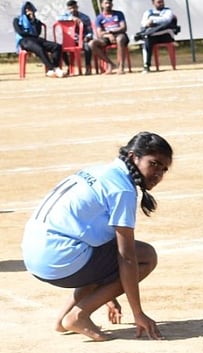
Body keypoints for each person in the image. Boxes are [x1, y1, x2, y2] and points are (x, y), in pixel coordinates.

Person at [21, 132, 172, 342]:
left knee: (99, 251)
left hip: (34, 254)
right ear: (132, 157)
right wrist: (138, 313)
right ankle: (78, 316)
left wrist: (107, 292)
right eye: (154, 164)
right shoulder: (122, 189)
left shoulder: (99, 171)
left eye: (164, 169)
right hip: (58, 259)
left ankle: (62, 319)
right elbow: (126, 257)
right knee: (146, 256)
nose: (158, 174)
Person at [13, 1, 66, 78]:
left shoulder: (36, 21)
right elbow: (20, 32)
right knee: (39, 48)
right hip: (24, 40)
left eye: (30, 8)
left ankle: (53, 69)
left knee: (56, 46)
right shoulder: (17, 20)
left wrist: (33, 20)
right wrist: (32, 35)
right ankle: (53, 68)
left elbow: (37, 33)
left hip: (36, 39)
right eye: (26, 9)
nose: (28, 10)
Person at [135, 0, 179, 74]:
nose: (161, 3)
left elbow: (166, 20)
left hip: (166, 36)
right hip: (152, 37)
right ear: (153, 3)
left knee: (165, 26)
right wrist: (148, 24)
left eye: (162, 2)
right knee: (147, 40)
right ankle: (146, 65)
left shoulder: (168, 11)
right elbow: (143, 23)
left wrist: (152, 20)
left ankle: (143, 34)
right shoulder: (148, 12)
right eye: (159, 2)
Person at [93, 0, 129, 74]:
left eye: (109, 3)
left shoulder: (119, 14)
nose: (108, 5)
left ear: (112, 4)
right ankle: (110, 64)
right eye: (106, 3)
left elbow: (123, 28)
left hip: (119, 34)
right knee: (92, 43)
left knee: (120, 39)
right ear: (102, 5)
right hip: (106, 37)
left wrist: (113, 32)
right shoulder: (99, 18)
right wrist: (109, 35)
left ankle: (121, 66)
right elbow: (99, 33)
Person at [58, 0, 93, 75]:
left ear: (77, 7)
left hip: (82, 39)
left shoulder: (85, 17)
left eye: (74, 8)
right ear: (68, 9)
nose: (72, 10)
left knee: (87, 47)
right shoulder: (66, 15)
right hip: (70, 40)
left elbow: (90, 31)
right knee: (60, 48)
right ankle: (69, 66)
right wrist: (71, 18)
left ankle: (88, 67)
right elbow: (59, 18)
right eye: (70, 8)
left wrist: (87, 37)